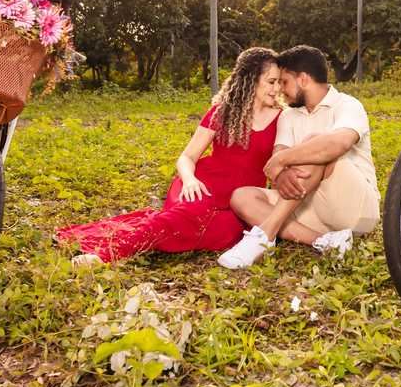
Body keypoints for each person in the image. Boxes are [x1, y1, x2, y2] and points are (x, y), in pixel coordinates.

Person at [58, 47, 282, 267]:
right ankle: (106, 255)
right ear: (251, 79)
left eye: (280, 82)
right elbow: (187, 157)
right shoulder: (220, 112)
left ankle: (144, 230)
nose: (278, 88)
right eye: (271, 81)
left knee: (226, 230)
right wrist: (190, 179)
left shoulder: (283, 118)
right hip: (203, 184)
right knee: (186, 219)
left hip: (244, 194)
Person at [218, 45, 379, 269]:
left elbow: (339, 143)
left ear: (303, 79)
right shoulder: (289, 116)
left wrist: (283, 162)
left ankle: (265, 234)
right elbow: (278, 158)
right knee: (241, 197)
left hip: (356, 209)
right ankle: (324, 241)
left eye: (284, 82)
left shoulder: (348, 105)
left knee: (315, 141)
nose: (281, 90)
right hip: (310, 207)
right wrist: (282, 170)